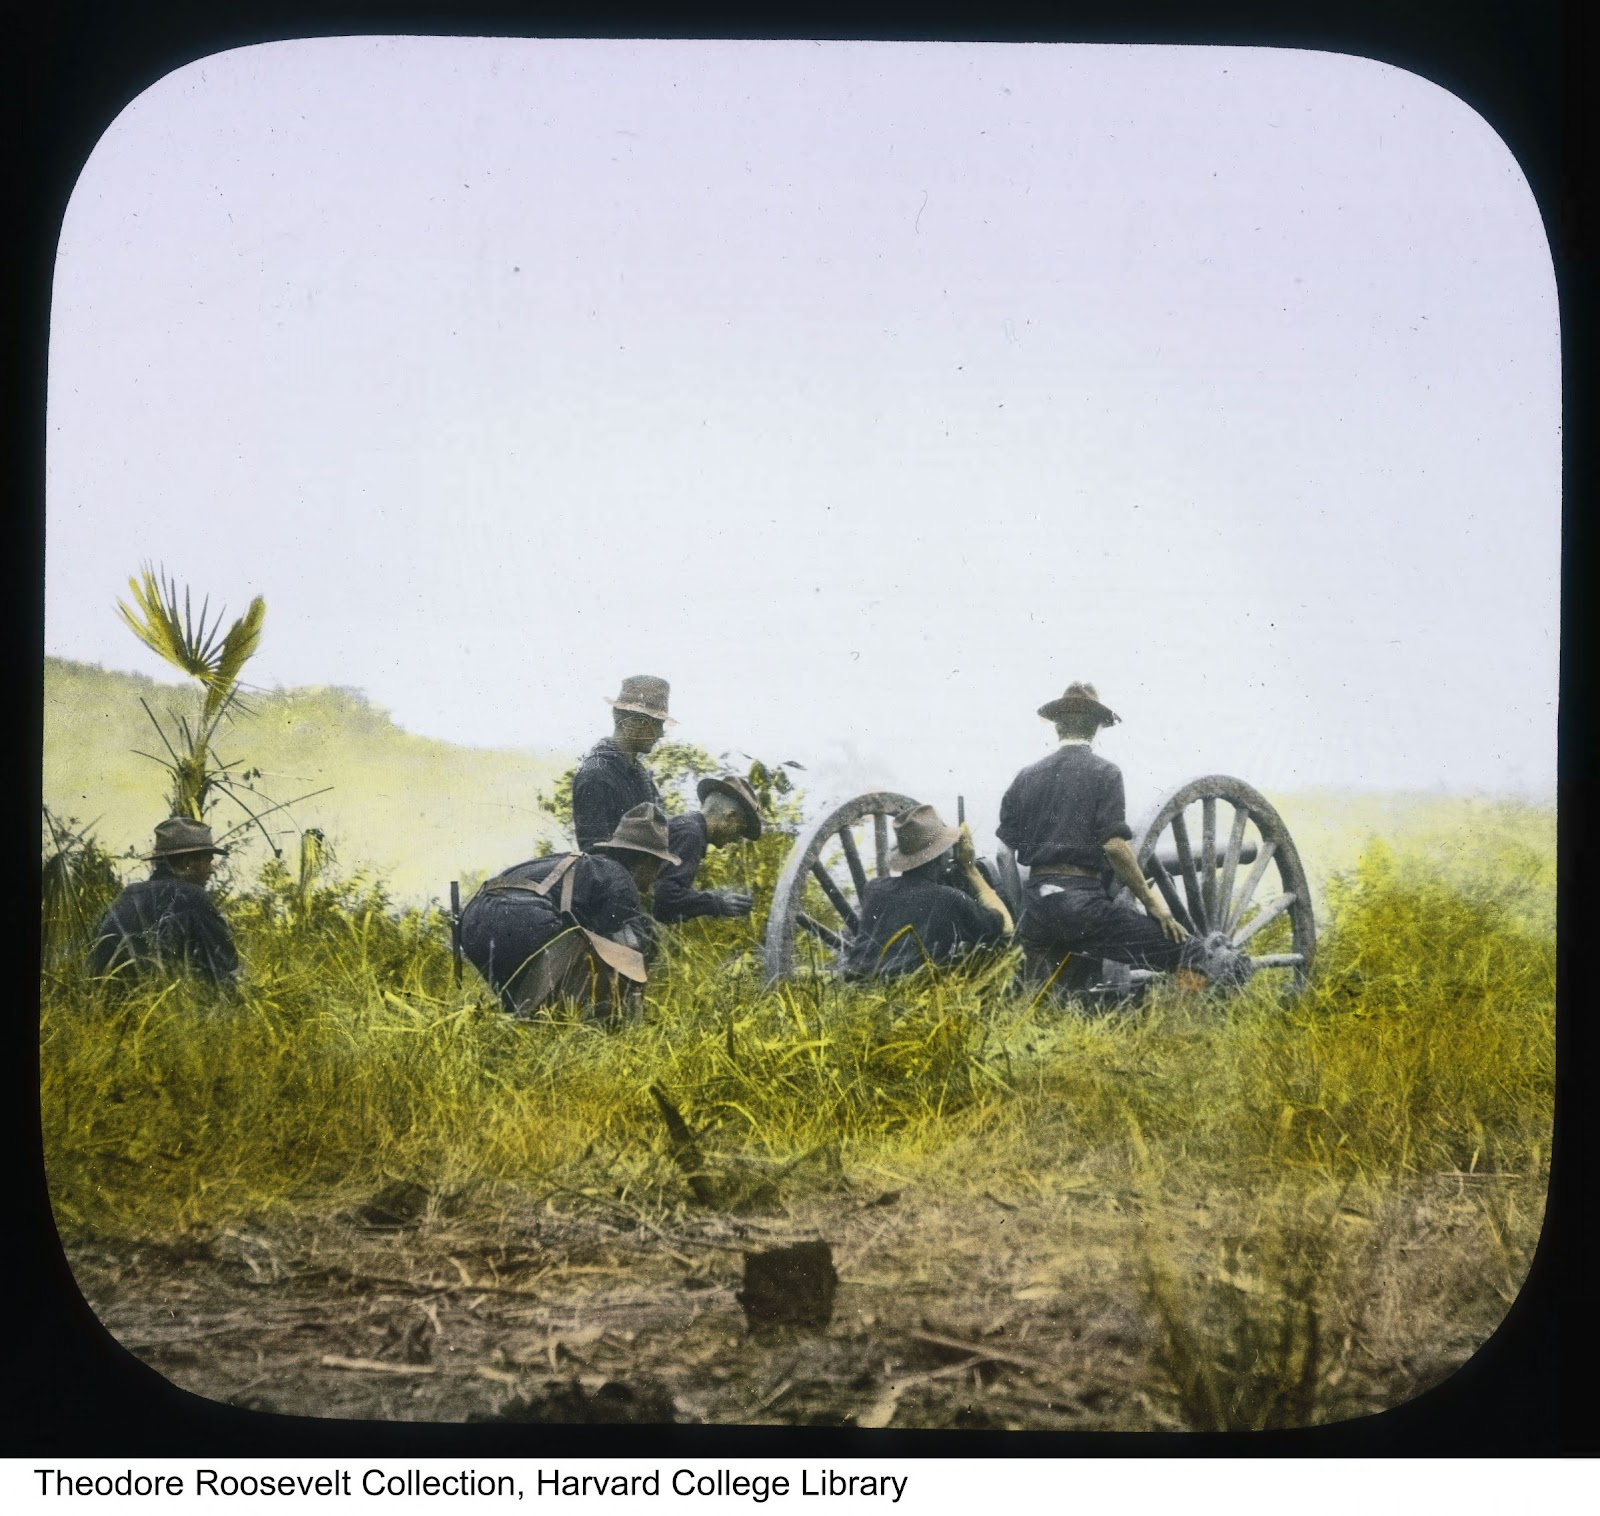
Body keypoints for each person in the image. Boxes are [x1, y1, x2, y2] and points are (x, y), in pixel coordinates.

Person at [997, 681, 1206, 989]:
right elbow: (1115, 846)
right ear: (1097, 727)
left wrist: (1025, 915)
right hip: (1083, 907)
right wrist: (1154, 906)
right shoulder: (1105, 772)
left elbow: (1004, 854)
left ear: (1057, 727)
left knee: (1052, 999)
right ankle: (1175, 1032)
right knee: (1194, 952)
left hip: (1037, 911)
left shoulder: (1025, 776)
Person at [459, 802, 679, 1020]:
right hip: (524, 917)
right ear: (646, 861)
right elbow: (629, 954)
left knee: (524, 1009)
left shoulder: (584, 865)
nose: (658, 874)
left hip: (472, 921)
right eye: (659, 865)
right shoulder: (621, 879)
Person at [843, 803, 1013, 980]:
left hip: (860, 989)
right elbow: (1007, 927)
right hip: (911, 994)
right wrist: (970, 870)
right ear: (941, 856)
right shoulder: (949, 899)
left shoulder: (874, 888)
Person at [87, 817, 239, 988]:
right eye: (207, 861)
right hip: (159, 1006)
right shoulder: (193, 896)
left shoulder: (127, 894)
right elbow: (225, 968)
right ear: (187, 863)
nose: (211, 870)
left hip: (106, 1006)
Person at [571, 675, 673, 852]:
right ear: (630, 723)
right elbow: (595, 857)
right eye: (656, 724)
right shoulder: (596, 776)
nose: (660, 733)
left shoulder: (638, 774)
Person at [653, 773, 764, 924]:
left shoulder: (688, 826)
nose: (736, 840)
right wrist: (716, 902)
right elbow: (664, 897)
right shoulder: (691, 834)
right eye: (740, 830)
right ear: (730, 816)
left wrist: (714, 898)